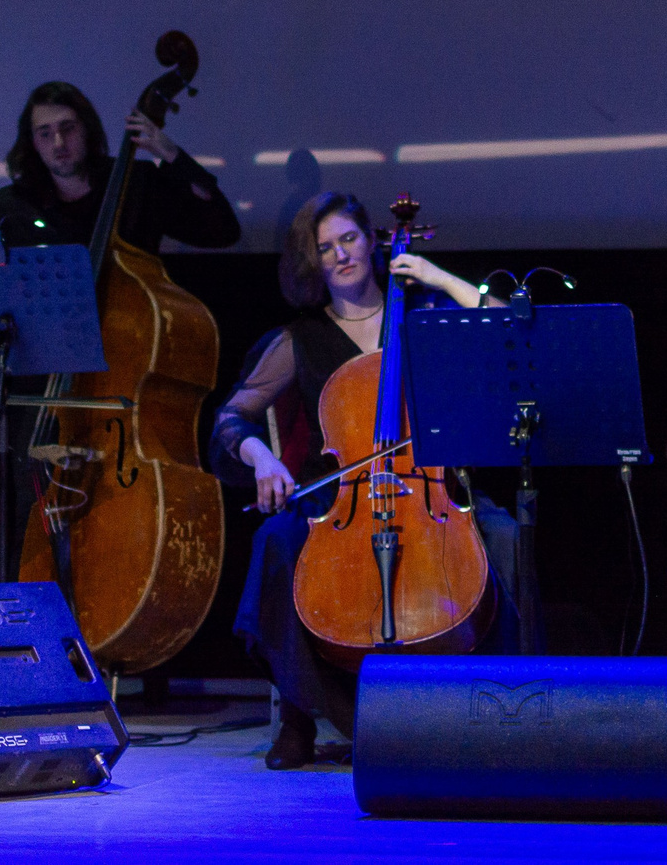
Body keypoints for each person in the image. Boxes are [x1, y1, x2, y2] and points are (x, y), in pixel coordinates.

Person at [209, 192, 519, 769]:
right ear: (312, 261)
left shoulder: (423, 314)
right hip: (339, 499)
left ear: (372, 240)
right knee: (275, 542)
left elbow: (508, 327)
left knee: (503, 536)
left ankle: (499, 708)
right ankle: (301, 717)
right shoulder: (299, 339)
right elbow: (232, 418)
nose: (341, 255)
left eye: (349, 239)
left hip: (426, 488)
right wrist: (261, 458)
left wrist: (434, 275)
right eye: (325, 248)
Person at [0, 80, 241, 399]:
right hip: (38, 393)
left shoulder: (136, 184)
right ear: (32, 143)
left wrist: (171, 154)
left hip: (126, 381)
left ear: (87, 130)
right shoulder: (10, 207)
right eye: (45, 133)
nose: (58, 143)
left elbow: (221, 230)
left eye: (68, 128)